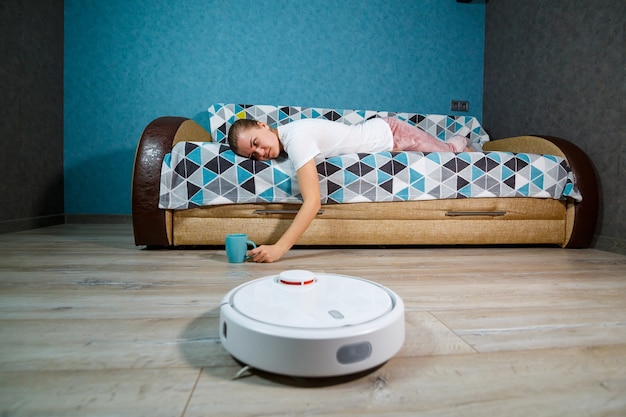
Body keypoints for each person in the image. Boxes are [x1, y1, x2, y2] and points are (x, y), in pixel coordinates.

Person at [227, 116, 469, 263]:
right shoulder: (289, 137)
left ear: (263, 125)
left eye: (256, 143)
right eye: (253, 155)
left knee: (449, 153)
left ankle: (466, 139)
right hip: (382, 135)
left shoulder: (296, 139)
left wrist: (279, 248)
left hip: (393, 133)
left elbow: (313, 201)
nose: (260, 153)